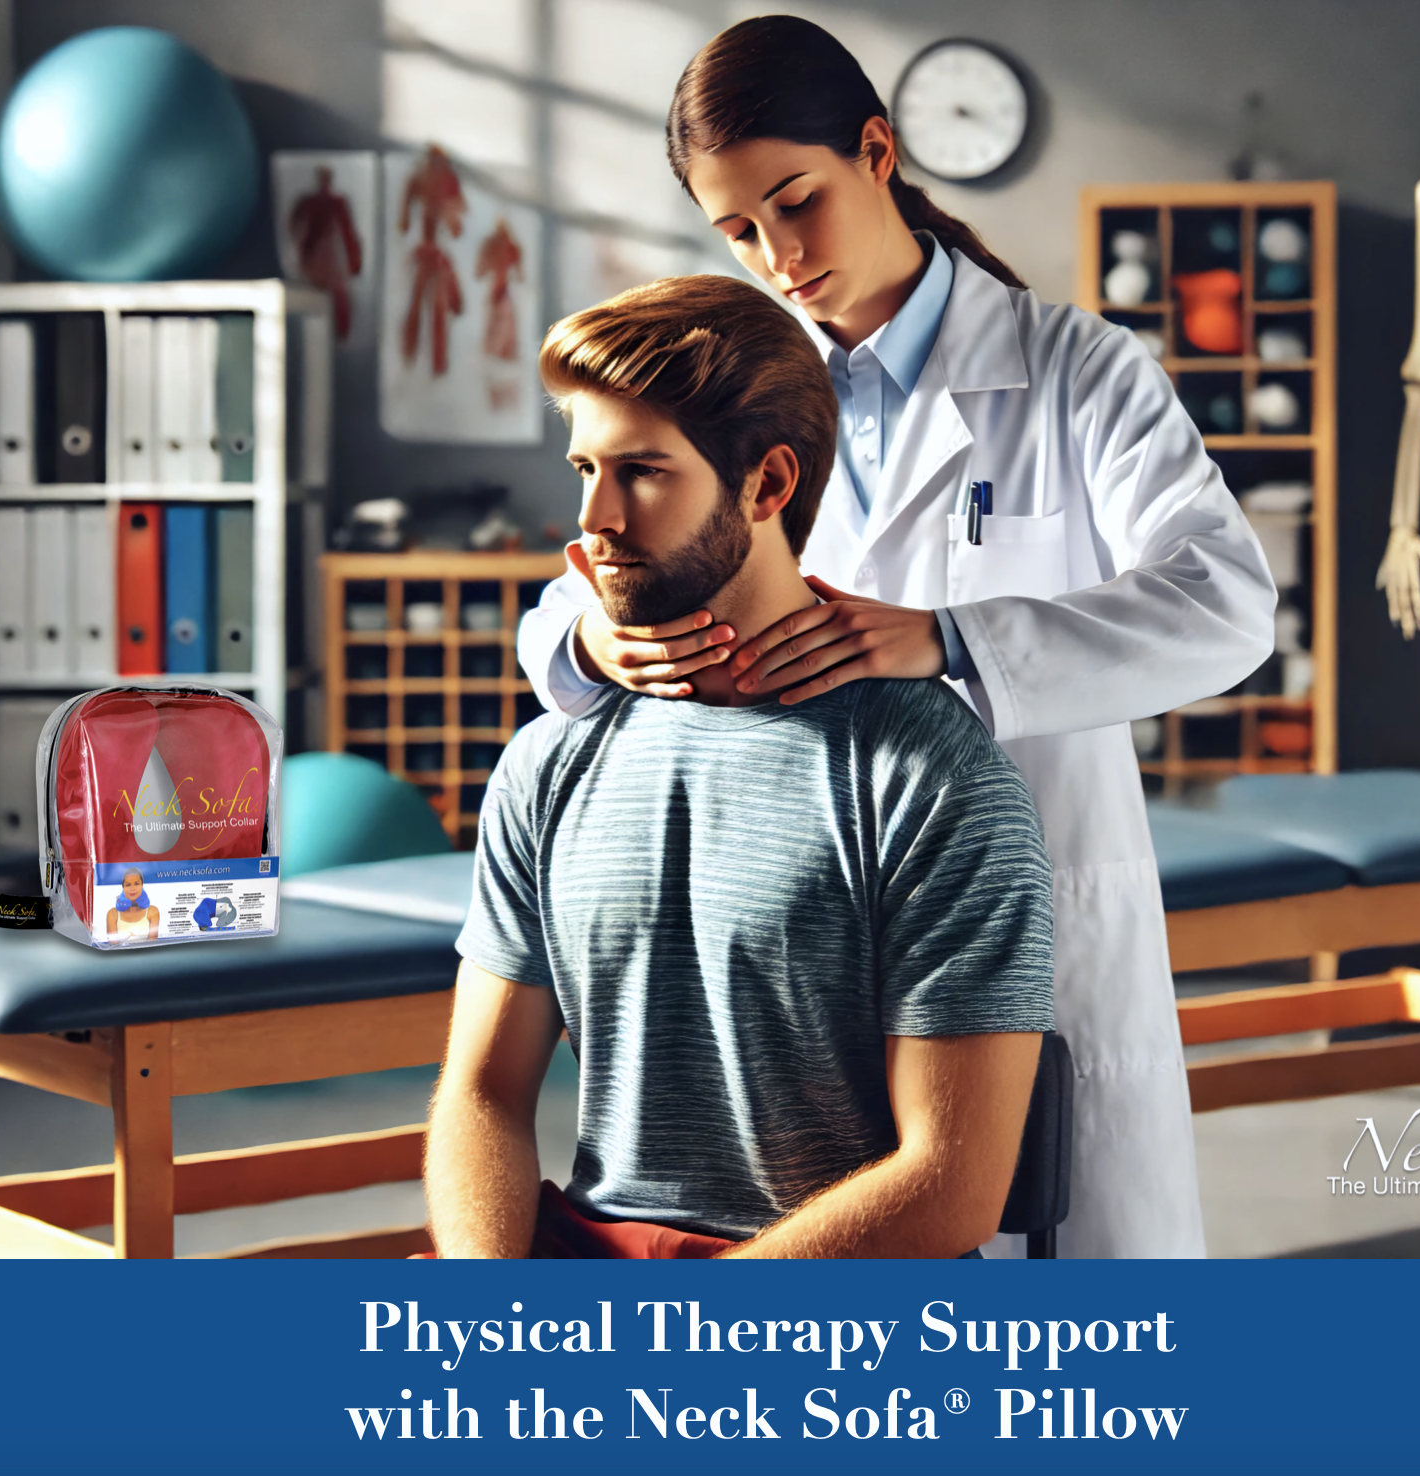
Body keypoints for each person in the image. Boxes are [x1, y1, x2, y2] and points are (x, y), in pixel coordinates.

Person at [517, 16, 1277, 1259]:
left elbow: (1224, 601)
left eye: (794, 202)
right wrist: (592, 648)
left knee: (1056, 1324)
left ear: (876, 151)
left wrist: (953, 640)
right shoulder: (737, 373)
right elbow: (600, 549)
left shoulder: (1071, 372)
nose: (776, 256)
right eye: (736, 231)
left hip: (1015, 902)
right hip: (794, 927)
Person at [425, 276, 1055, 1259]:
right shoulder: (547, 761)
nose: (593, 516)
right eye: (584, 467)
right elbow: (480, 1095)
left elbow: (946, 1190)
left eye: (641, 472)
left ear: (765, 486)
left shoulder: (930, 780)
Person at [105, 869, 158, 941]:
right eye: (128, 885)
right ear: (123, 887)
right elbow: (113, 945)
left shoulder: (152, 911)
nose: (132, 888)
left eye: (136, 884)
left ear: (142, 885)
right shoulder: (112, 914)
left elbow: (152, 943)